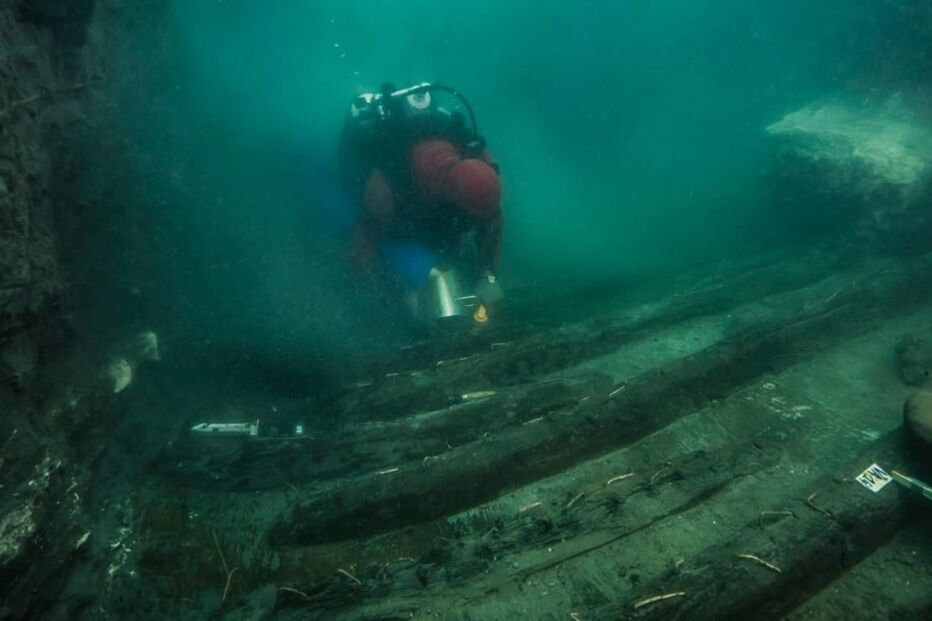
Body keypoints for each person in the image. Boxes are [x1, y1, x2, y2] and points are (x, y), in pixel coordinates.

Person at [337, 82, 504, 324]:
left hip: (430, 208)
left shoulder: (479, 165)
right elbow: (359, 255)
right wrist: (384, 298)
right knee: (404, 240)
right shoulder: (387, 190)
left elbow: (493, 221)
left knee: (449, 245)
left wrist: (488, 275)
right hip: (401, 213)